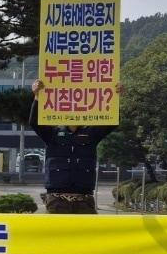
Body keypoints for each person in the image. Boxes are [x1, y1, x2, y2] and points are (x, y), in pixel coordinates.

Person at [30, 79, 114, 214]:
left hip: (84, 200)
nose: (73, 112)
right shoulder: (52, 134)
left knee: (88, 235)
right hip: (56, 199)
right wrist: (37, 95)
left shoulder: (91, 134)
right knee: (55, 235)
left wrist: (115, 96)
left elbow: (112, 122)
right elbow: (34, 122)